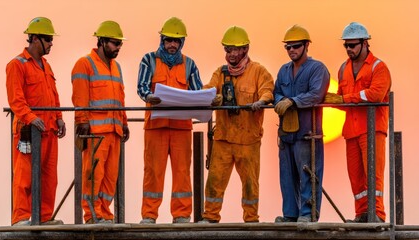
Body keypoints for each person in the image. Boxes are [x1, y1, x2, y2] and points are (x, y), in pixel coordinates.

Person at [199, 26, 274, 223]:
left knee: (250, 184)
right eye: (228, 50)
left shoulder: (258, 71)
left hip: (248, 140)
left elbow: (268, 90)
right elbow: (207, 89)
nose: (231, 54)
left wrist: (262, 101)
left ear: (245, 50)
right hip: (223, 138)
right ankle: (210, 216)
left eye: (235, 50)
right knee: (214, 181)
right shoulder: (220, 73)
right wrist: (207, 97)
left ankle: (251, 219)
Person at [137, 17, 203, 224]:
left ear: (182, 42)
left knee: (182, 173)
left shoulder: (189, 64)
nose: (172, 45)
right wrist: (149, 97)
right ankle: (149, 215)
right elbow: (142, 87)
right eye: (168, 41)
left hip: (181, 127)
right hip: (155, 126)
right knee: (153, 173)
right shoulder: (149, 60)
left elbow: (197, 91)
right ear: (162, 40)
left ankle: (182, 214)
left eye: (176, 41)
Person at [324, 22, 391, 223]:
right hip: (351, 131)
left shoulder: (379, 68)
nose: (349, 49)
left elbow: (375, 94)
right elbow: (343, 99)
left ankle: (377, 215)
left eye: (352, 45)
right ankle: (362, 214)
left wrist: (345, 99)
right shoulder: (343, 68)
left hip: (372, 129)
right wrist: (333, 101)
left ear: (365, 43)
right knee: (356, 178)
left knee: (373, 176)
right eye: (346, 45)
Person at [6, 17, 66, 226]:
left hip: (49, 131)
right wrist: (32, 118)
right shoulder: (17, 65)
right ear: (34, 39)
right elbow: (16, 100)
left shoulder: (46, 66)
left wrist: (59, 118)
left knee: (49, 178)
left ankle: (44, 217)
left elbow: (53, 94)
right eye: (48, 39)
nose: (51, 43)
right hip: (28, 131)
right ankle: (21, 218)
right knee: (24, 177)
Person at [71, 20, 130, 224]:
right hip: (95, 132)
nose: (118, 47)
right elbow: (80, 98)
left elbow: (120, 98)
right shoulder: (85, 64)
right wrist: (82, 122)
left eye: (120, 44)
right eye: (115, 43)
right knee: (93, 175)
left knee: (110, 178)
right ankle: (92, 215)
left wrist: (124, 123)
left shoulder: (117, 67)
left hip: (114, 130)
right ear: (102, 41)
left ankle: (105, 213)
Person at [273, 25, 330, 223]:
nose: (292, 51)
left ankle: (308, 213)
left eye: (296, 46)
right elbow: (276, 91)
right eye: (288, 47)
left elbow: (316, 94)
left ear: (306, 46)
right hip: (287, 133)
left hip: (307, 133)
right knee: (287, 176)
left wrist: (293, 101)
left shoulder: (317, 69)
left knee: (309, 174)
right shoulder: (284, 71)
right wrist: (281, 99)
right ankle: (290, 213)